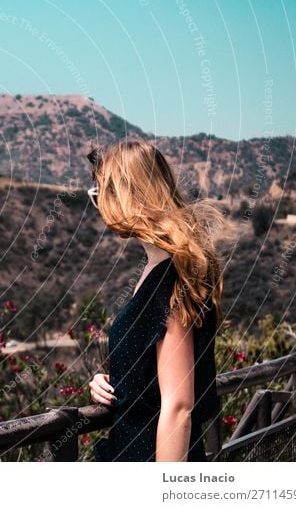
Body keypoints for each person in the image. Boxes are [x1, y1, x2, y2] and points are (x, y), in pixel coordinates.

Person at [85, 140, 226, 462]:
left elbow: (178, 408)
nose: (98, 205)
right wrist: (115, 382)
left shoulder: (169, 279)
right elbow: (157, 370)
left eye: (99, 194)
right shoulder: (166, 267)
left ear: (123, 197)